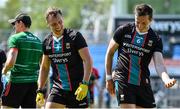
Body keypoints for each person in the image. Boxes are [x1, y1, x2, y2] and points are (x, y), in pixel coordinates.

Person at [105, 4, 177, 108]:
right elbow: (110, 53)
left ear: (151, 20)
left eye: (144, 23)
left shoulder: (155, 39)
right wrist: (108, 78)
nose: (140, 26)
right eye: (137, 22)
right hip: (123, 80)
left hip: (142, 83)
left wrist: (166, 80)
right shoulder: (124, 30)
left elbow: (160, 65)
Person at [36, 7, 93, 108]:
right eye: (54, 24)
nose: (58, 26)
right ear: (48, 24)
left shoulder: (75, 36)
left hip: (78, 87)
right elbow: (44, 67)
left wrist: (85, 84)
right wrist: (40, 89)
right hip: (58, 88)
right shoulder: (46, 42)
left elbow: (88, 60)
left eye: (60, 22)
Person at [1, 13, 42, 108]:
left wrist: (4, 71)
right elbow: (41, 64)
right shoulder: (38, 41)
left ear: (21, 23)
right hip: (32, 84)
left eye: (14, 23)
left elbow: (11, 62)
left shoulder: (15, 38)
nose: (14, 27)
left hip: (16, 82)